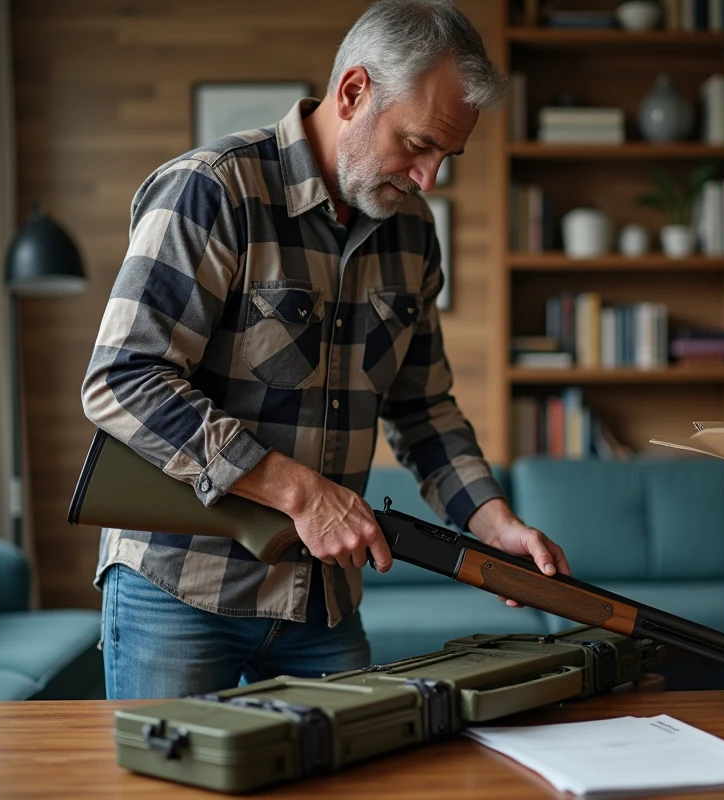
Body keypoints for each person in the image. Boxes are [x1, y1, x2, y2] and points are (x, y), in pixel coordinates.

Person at [82, 0, 570, 700]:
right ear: (353, 93)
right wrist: (301, 493)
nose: (429, 179)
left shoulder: (414, 233)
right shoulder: (211, 189)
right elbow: (123, 379)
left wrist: (494, 523)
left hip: (321, 602)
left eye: (447, 157)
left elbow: (423, 408)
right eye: (418, 144)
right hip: (177, 593)